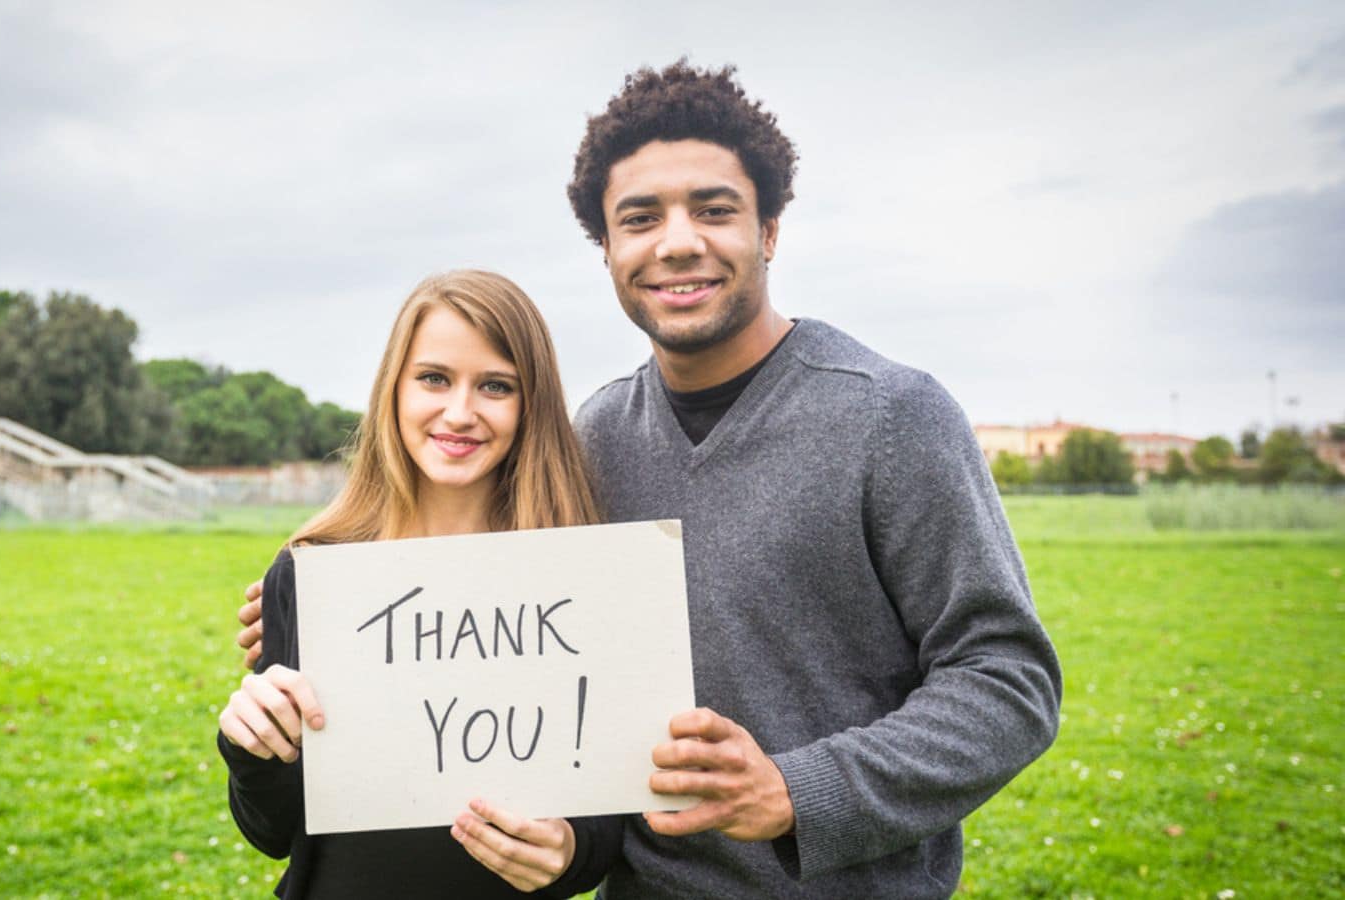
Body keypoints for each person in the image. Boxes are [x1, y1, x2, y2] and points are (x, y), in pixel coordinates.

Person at [240, 62, 1062, 898]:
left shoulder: (893, 415)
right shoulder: (589, 439)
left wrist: (795, 791)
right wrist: (325, 619)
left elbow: (1006, 677)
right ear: (607, 249)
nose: (677, 241)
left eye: (714, 209)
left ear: (770, 229)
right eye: (640, 218)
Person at [217, 270, 621, 899]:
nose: (459, 412)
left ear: (530, 405)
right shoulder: (313, 570)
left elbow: (599, 826)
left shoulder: (568, 580)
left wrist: (568, 852)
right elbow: (272, 830)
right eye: (433, 378)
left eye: (495, 386)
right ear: (394, 390)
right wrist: (251, 744)